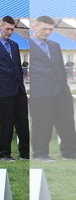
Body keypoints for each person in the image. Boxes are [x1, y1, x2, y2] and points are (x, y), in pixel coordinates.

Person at [29, 15, 76, 161]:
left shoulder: (54, 45)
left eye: (50, 29)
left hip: (61, 91)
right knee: (43, 124)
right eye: (44, 29)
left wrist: (66, 89)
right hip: (41, 92)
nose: (47, 32)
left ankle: (70, 153)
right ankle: (40, 154)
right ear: (33, 27)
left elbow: (60, 69)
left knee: (67, 122)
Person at [0, 15, 29, 162]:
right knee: (6, 123)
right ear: (0, 27)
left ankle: (25, 153)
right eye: (7, 29)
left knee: (23, 123)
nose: (9, 32)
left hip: (19, 91)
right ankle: (5, 153)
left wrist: (23, 91)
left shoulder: (15, 46)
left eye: (12, 29)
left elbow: (17, 69)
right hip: (3, 92)